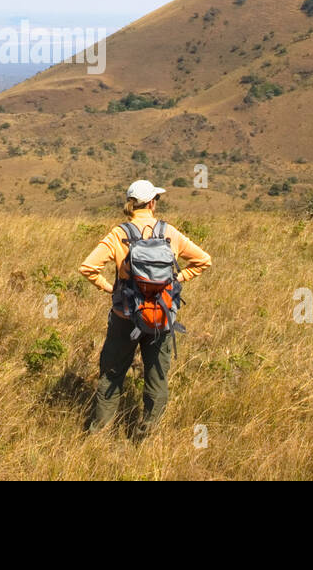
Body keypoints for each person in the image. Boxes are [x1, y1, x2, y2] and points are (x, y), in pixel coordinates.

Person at [79, 179, 212, 438]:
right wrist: (176, 280)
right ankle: (145, 435)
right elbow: (203, 260)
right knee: (157, 377)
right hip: (160, 315)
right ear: (151, 203)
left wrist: (108, 288)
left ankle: (98, 434)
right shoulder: (169, 232)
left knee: (112, 375)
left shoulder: (119, 234)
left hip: (125, 316)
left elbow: (87, 268)